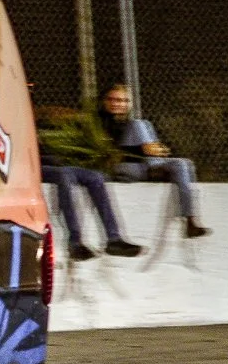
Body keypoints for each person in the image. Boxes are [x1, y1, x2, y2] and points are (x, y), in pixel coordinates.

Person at [99, 83, 208, 238]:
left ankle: (191, 219)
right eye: (114, 100)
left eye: (124, 101)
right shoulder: (98, 122)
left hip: (141, 166)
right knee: (138, 124)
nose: (119, 104)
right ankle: (155, 165)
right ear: (105, 101)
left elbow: (141, 149)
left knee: (184, 164)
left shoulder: (129, 124)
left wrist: (150, 150)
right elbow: (109, 154)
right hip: (120, 169)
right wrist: (148, 150)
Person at [35, 102, 141, 260]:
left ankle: (113, 239)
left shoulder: (57, 126)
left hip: (63, 164)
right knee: (65, 176)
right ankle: (75, 242)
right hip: (36, 167)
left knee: (96, 177)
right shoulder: (23, 122)